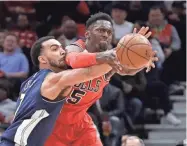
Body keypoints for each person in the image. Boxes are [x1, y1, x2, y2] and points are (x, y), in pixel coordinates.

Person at [45, 12, 158, 146]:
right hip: (54, 119)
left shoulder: (110, 58)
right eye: (100, 30)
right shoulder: (76, 47)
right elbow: (73, 60)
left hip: (81, 121)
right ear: (87, 34)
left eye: (109, 32)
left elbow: (126, 69)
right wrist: (103, 56)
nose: (105, 35)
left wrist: (141, 61)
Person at [0, 36, 123, 146]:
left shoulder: (29, 83)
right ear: (42, 59)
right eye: (54, 49)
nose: (63, 51)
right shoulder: (52, 80)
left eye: (62, 48)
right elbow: (90, 72)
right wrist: (123, 52)